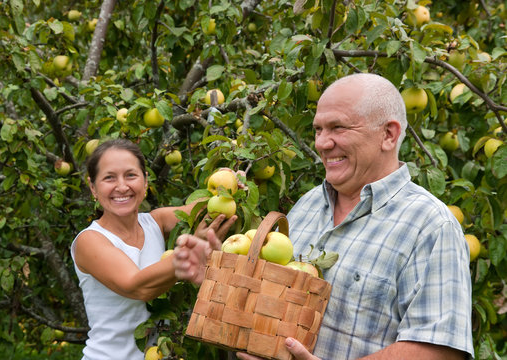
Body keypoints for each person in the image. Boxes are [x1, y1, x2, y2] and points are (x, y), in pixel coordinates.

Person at [173, 73, 474, 360]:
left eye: (338, 128)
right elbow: (271, 309)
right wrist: (219, 281)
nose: (321, 143)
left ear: (388, 134)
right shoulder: (308, 206)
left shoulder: (430, 225)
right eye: (318, 129)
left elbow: (440, 350)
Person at [70, 138, 236, 360]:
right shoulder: (90, 241)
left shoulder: (155, 222)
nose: (121, 186)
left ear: (145, 181)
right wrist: (184, 258)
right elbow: (138, 287)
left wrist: (229, 183)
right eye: (109, 178)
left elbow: (205, 208)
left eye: (131, 175)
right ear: (93, 188)